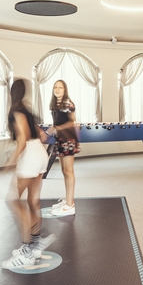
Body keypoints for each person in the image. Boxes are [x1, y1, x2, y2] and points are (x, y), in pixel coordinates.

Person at [1, 78, 56, 270]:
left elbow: (23, 139)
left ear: (11, 93)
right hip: (40, 152)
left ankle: (27, 251)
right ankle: (36, 242)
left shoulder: (16, 111)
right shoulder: (27, 110)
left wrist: (12, 161)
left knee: (13, 201)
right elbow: (42, 135)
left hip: (30, 156)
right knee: (32, 201)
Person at [48, 79, 80, 217]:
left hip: (68, 139)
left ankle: (70, 205)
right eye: (55, 87)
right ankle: (68, 200)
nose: (57, 89)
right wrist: (55, 128)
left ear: (65, 89)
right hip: (60, 139)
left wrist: (56, 128)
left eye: (60, 87)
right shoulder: (56, 105)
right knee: (64, 170)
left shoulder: (67, 103)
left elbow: (71, 122)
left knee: (68, 171)